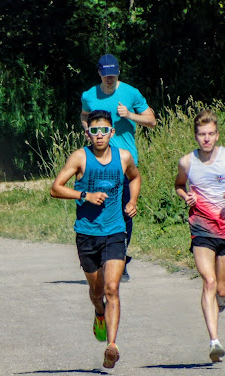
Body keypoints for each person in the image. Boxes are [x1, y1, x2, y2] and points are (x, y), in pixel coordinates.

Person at [50, 110, 141, 369]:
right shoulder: (80, 157)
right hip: (87, 234)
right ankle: (99, 312)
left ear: (112, 133)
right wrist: (84, 195)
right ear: (87, 132)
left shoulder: (123, 157)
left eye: (104, 131)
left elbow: (135, 177)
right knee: (97, 291)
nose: (99, 135)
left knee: (112, 288)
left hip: (115, 231)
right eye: (94, 131)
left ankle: (112, 346)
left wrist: (132, 200)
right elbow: (55, 188)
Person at [174, 109, 225, 362]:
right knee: (208, 282)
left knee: (222, 287)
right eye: (201, 134)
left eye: (210, 134)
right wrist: (185, 195)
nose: (206, 139)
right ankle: (214, 341)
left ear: (217, 135)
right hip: (201, 226)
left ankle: (222, 300)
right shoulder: (187, 162)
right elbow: (179, 185)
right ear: (195, 136)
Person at [80, 54, 156, 281]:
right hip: (97, 162)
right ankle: (103, 256)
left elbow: (151, 120)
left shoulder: (131, 93)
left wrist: (130, 115)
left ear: (118, 73)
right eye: (106, 75)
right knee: (98, 209)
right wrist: (87, 128)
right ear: (99, 73)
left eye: (113, 74)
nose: (110, 79)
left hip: (124, 162)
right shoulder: (89, 95)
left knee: (125, 212)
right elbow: (85, 114)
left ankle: (120, 259)